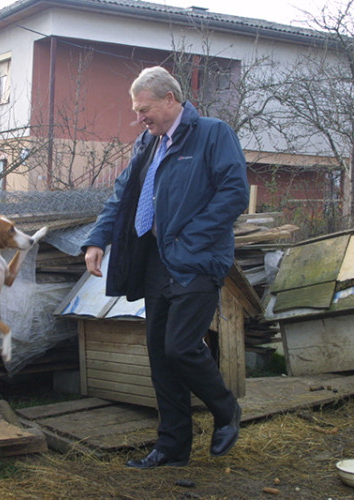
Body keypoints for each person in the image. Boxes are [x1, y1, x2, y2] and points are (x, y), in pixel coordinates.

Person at [82, 66, 250, 469]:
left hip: (197, 261)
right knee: (160, 356)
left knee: (180, 347)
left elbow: (234, 193)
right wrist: (96, 238)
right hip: (155, 262)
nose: (139, 118)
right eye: (137, 111)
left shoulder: (212, 133)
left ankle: (226, 409)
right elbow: (122, 196)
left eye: (145, 109)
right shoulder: (147, 142)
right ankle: (172, 448)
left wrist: (189, 241)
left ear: (170, 100)